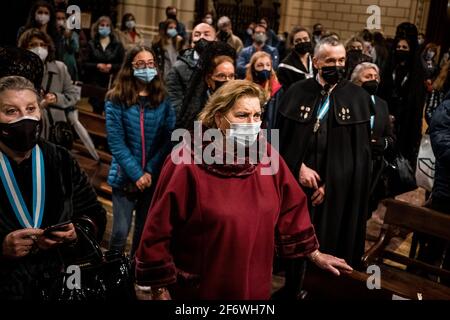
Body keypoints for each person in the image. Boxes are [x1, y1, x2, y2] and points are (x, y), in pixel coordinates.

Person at [134, 80, 353, 300]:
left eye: (257, 115)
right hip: (203, 287)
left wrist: (314, 254)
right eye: (242, 115)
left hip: (254, 282)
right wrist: (159, 289)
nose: (252, 123)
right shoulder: (186, 162)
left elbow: (291, 207)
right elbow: (158, 228)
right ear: (219, 118)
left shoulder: (266, 156)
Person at [0, 75, 106, 300]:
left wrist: (76, 232)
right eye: (11, 111)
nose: (25, 118)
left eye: (31, 108)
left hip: (58, 283)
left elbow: (95, 214)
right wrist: (2, 248)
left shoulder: (60, 159)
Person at [277, 37, 372, 267]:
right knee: (294, 245)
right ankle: (293, 285)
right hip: (297, 182)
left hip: (338, 191)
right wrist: (297, 166)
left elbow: (360, 157)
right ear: (316, 62)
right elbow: (278, 140)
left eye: (341, 60)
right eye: (330, 60)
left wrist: (332, 184)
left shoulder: (357, 97)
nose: (337, 66)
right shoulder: (295, 91)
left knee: (330, 240)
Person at [105, 46, 176, 256]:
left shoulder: (162, 97)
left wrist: (150, 172)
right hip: (125, 176)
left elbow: (169, 137)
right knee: (119, 232)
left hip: (152, 178)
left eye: (151, 63)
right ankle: (112, 274)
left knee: (144, 232)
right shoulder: (116, 98)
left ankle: (135, 273)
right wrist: (136, 173)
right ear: (130, 67)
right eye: (141, 64)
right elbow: (116, 141)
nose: (147, 67)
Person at [18, 28, 99, 161]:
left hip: (57, 131)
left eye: (43, 45)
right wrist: (40, 105)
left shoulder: (60, 68)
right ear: (24, 47)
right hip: (30, 131)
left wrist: (56, 97)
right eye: (33, 45)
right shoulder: (19, 71)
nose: (39, 49)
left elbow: (72, 95)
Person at [351, 62, 395, 214]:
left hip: (372, 167)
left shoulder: (382, 104)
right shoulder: (348, 101)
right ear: (357, 81)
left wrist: (382, 143)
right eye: (368, 76)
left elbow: (390, 137)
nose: (373, 80)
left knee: (366, 209)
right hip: (350, 162)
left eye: (376, 77)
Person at [175, 41, 236, 130]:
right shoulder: (199, 108)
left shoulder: (239, 100)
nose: (227, 81)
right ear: (208, 79)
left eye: (231, 76)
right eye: (221, 76)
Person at [165, 22, 216, 114]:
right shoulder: (178, 68)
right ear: (192, 42)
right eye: (197, 35)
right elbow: (175, 103)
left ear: (215, 40)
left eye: (206, 34)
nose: (202, 38)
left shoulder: (224, 65)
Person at [83, 16, 125, 114]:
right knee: (96, 110)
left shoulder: (117, 45)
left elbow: (122, 64)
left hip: (111, 82)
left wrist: (111, 67)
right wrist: (97, 65)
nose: (105, 27)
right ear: (97, 27)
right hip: (95, 81)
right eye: (102, 25)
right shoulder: (91, 44)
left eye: (107, 25)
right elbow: (84, 63)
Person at [245, 51, 283, 130]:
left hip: (271, 133)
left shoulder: (277, 90)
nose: (265, 68)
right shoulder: (245, 89)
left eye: (268, 65)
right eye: (260, 65)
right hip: (250, 131)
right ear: (253, 69)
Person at [55, 8, 80, 81]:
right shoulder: (52, 33)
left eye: (63, 18)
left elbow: (75, 49)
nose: (61, 21)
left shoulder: (73, 34)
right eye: (58, 18)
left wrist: (68, 37)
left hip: (69, 66)